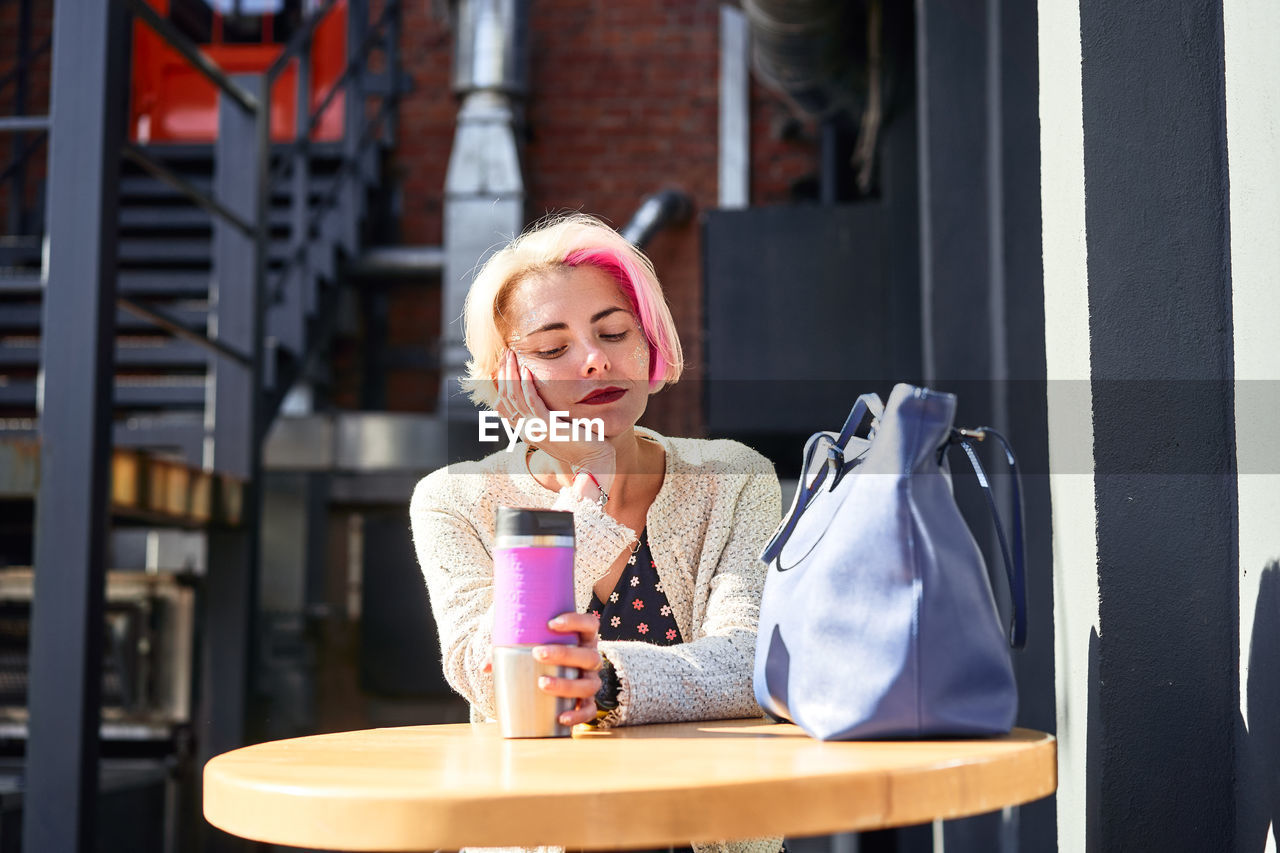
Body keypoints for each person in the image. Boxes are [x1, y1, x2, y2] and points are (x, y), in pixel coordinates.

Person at [409, 213, 782, 853]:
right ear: (507, 379)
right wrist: (588, 492)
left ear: (650, 345)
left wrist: (603, 680)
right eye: (552, 349)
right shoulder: (454, 498)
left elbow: (754, 666)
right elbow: (488, 677)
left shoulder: (736, 477)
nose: (593, 359)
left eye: (614, 332)